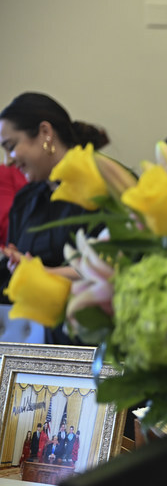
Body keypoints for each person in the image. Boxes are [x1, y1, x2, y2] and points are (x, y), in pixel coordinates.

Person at [0, 92, 110, 344]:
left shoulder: (101, 185)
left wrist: (46, 272)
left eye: (11, 146)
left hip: (97, 337)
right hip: (45, 339)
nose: (7, 161)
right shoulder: (26, 199)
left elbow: (111, 265)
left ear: (45, 132)